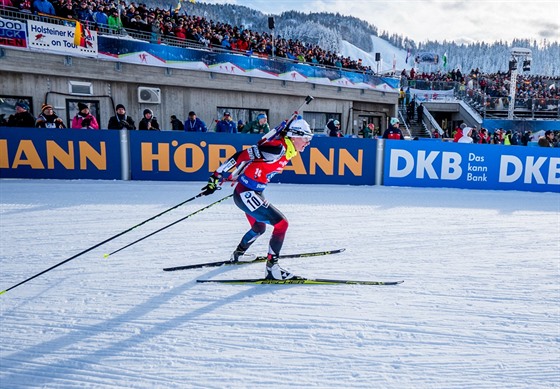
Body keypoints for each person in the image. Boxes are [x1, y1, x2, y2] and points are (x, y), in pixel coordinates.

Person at [201, 119, 313, 280]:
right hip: (247, 194)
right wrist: (217, 175)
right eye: (306, 138)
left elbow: (254, 163)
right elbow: (240, 155)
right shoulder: (277, 148)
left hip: (250, 192)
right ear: (295, 135)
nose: (308, 143)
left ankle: (238, 255)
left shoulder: (287, 150)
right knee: (282, 224)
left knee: (259, 227)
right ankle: (272, 269)